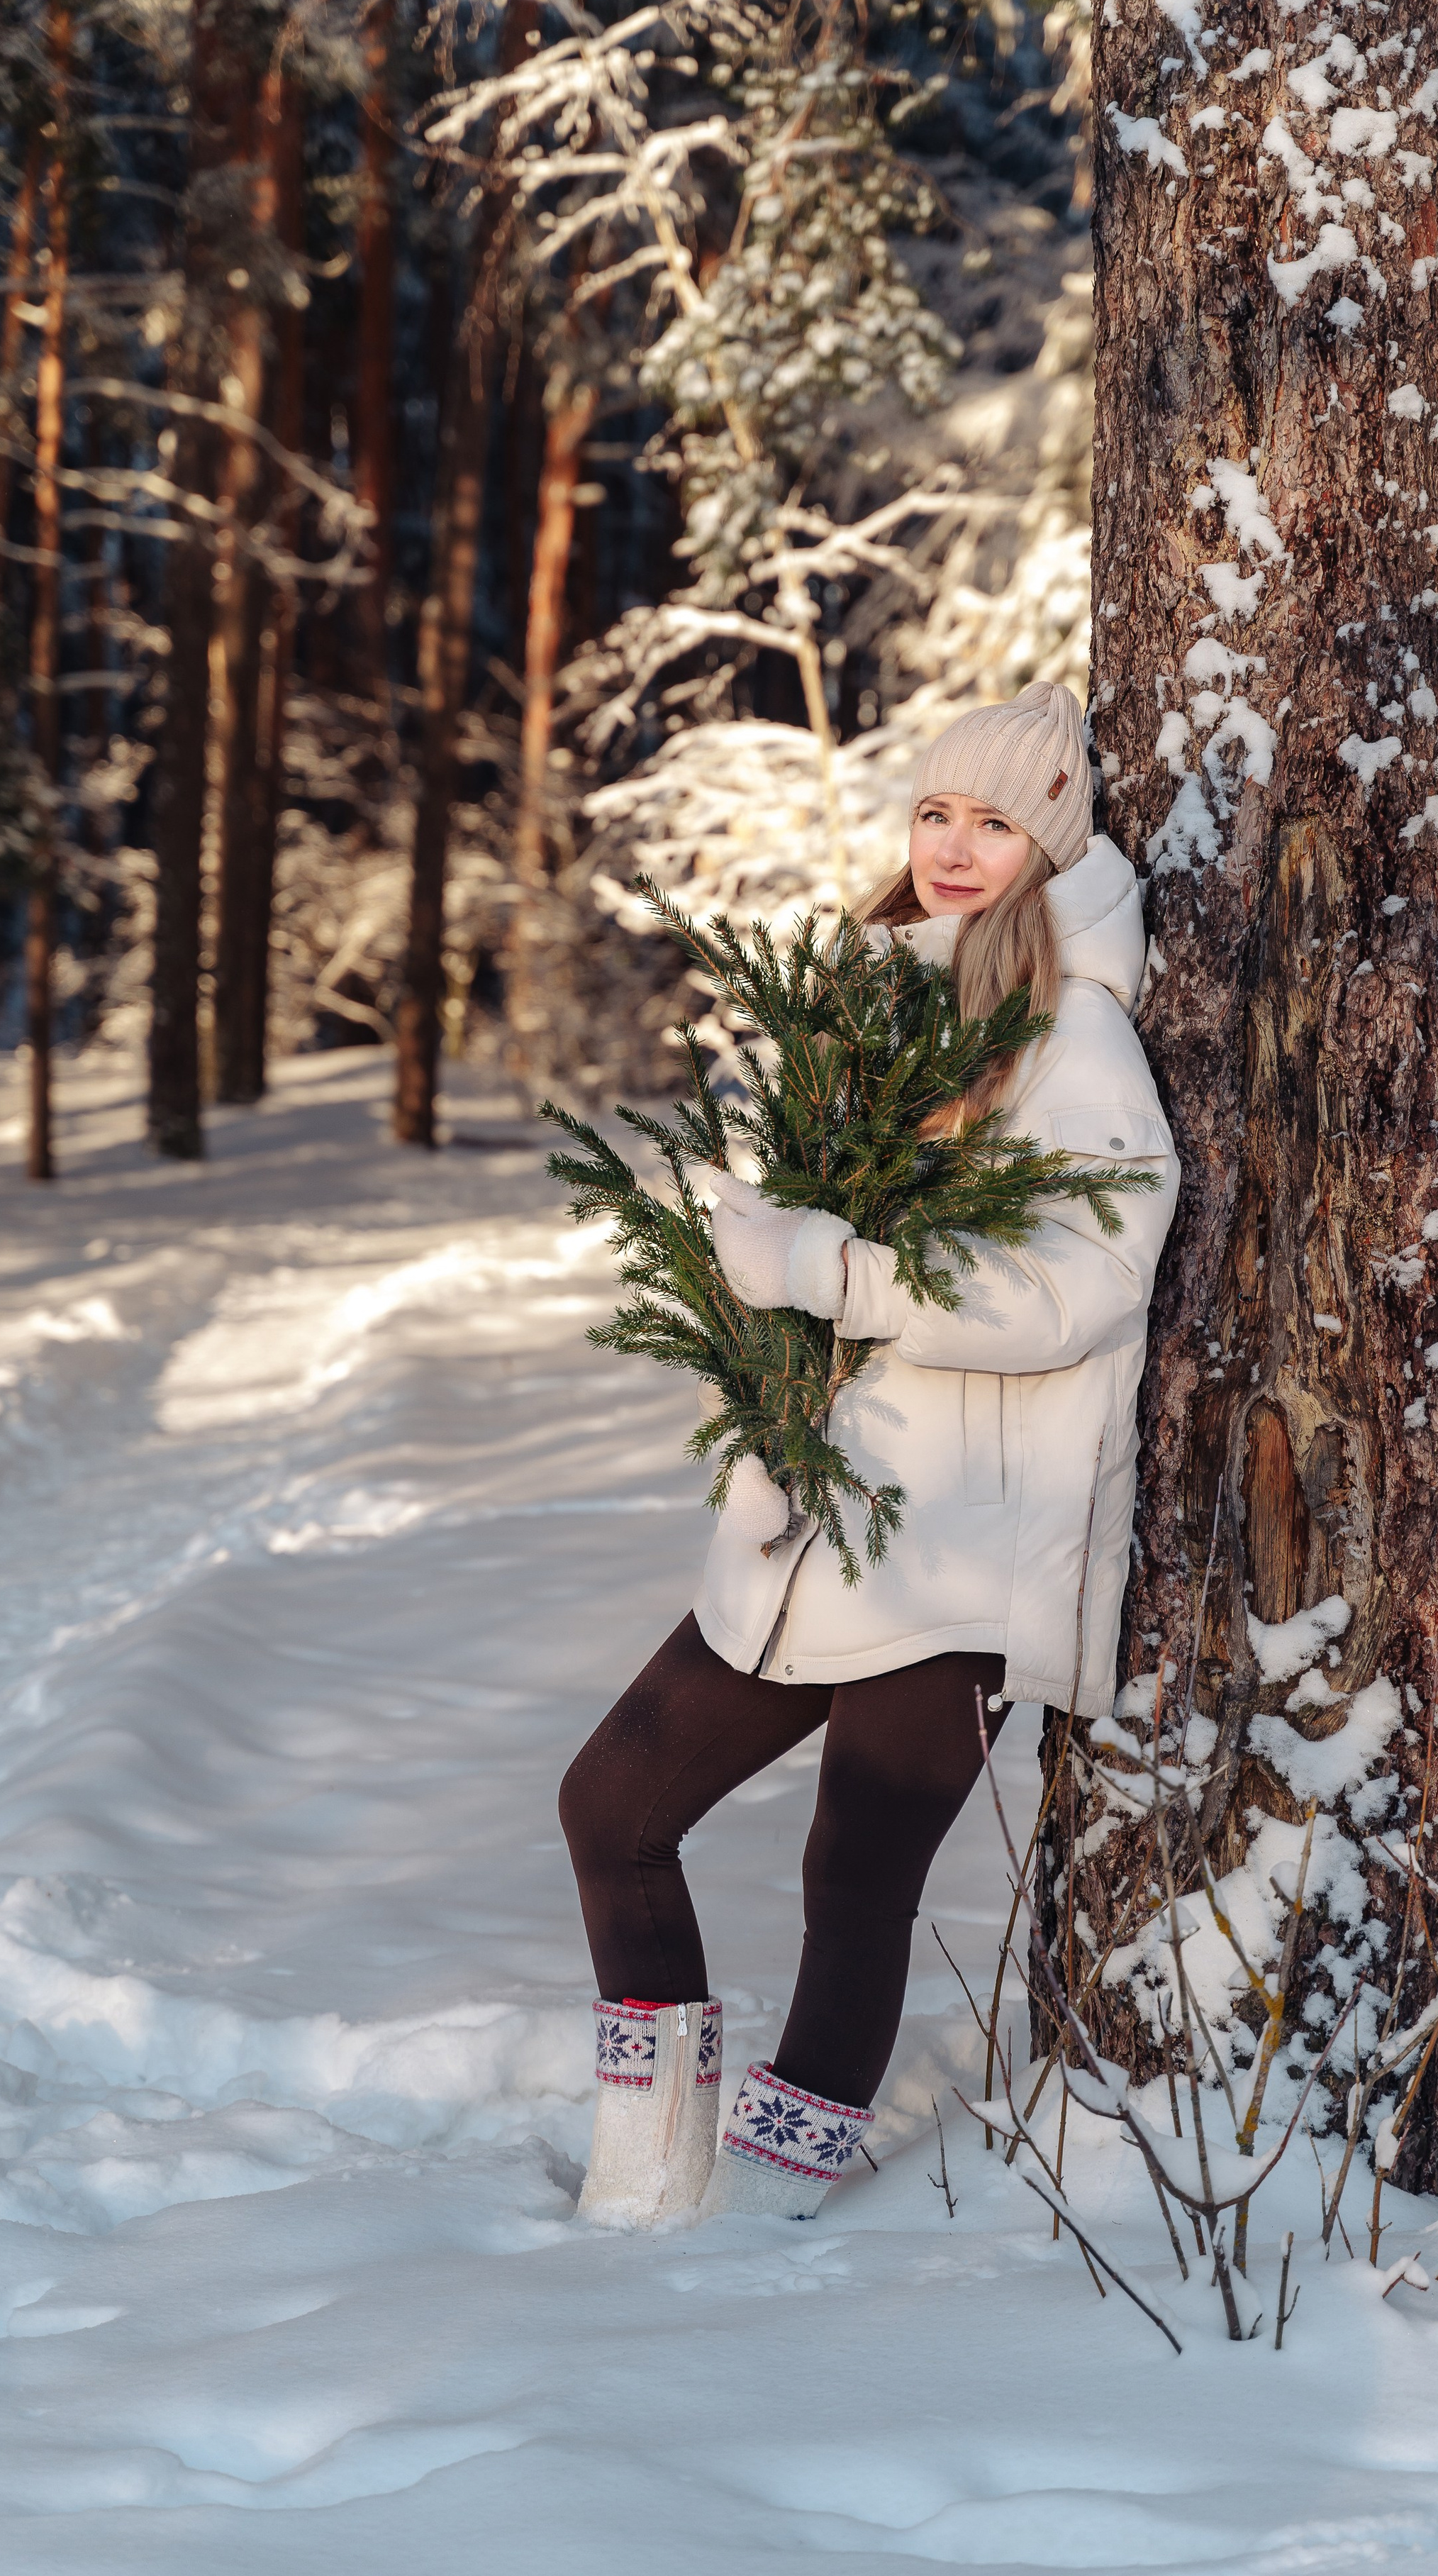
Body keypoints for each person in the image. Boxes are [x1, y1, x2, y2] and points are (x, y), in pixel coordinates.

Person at [558, 680, 1181, 2228]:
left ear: (1048, 845)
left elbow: (1079, 1286)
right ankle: (643, 2181)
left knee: (854, 1877)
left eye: (995, 821)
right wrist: (750, 1243)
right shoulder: (861, 1004)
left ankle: (770, 2199)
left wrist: (839, 1271)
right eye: (934, 814)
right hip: (810, 1519)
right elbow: (769, 1202)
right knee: (610, 1809)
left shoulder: (1072, 1034)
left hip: (961, 1539)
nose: (956, 847)